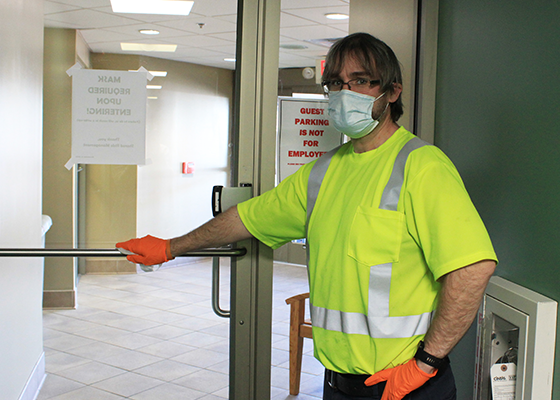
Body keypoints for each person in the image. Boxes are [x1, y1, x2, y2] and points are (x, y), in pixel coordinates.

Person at [117, 33, 497, 400]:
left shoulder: (422, 166)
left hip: (405, 386)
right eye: (335, 83)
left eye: (360, 81)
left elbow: (472, 267)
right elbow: (247, 219)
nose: (344, 93)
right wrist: (171, 246)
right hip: (337, 383)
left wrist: (427, 362)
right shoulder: (322, 173)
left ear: (392, 91)